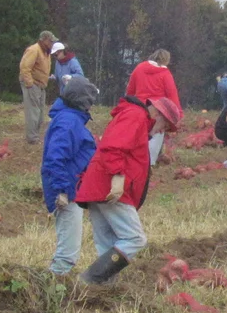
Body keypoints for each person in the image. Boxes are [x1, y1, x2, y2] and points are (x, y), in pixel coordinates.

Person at [75, 95, 180, 283]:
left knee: (107, 244)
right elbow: (113, 148)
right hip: (110, 189)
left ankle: (100, 289)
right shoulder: (136, 116)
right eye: (164, 126)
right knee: (135, 239)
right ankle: (88, 280)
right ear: (157, 113)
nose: (161, 132)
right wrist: (117, 178)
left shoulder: (135, 117)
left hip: (99, 186)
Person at [41, 75, 100, 276]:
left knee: (70, 244)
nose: (91, 106)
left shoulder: (70, 119)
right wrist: (61, 191)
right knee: (68, 250)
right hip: (67, 191)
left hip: (72, 188)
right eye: (90, 101)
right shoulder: (68, 122)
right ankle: (54, 285)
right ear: (82, 102)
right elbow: (54, 159)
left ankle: (57, 282)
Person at [127, 49, 183, 165]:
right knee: (155, 137)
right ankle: (150, 163)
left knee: (137, 137)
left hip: (139, 108)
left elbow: (131, 89)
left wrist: (128, 105)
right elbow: (172, 95)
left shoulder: (139, 68)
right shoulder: (165, 74)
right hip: (158, 111)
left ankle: (134, 160)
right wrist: (178, 114)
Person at [20, 31, 59, 145]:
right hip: (33, 85)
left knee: (40, 113)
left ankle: (35, 136)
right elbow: (24, 67)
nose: (52, 44)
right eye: (51, 41)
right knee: (33, 111)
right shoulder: (34, 50)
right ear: (45, 40)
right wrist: (30, 84)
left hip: (41, 86)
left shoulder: (45, 53)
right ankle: (32, 138)